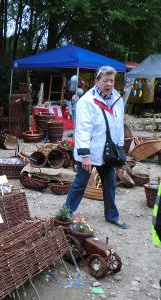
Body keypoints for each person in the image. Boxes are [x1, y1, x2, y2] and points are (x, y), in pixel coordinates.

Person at [64, 65, 129, 229]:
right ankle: (65, 215)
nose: (109, 84)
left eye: (112, 80)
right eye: (105, 80)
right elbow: (82, 129)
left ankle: (112, 216)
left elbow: (119, 125)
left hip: (108, 153)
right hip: (91, 152)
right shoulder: (86, 101)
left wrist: (119, 148)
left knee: (110, 184)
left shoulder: (117, 99)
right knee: (80, 184)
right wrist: (85, 155)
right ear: (97, 81)